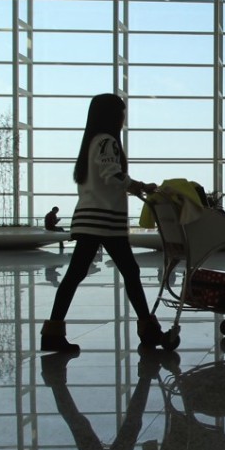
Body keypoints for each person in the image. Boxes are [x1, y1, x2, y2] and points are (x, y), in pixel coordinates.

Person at [41, 93, 161, 354]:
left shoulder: (92, 142)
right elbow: (112, 175)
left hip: (92, 218)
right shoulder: (107, 142)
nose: (124, 118)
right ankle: (148, 330)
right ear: (112, 115)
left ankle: (53, 331)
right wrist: (140, 186)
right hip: (103, 219)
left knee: (78, 274)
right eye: (122, 113)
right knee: (128, 271)